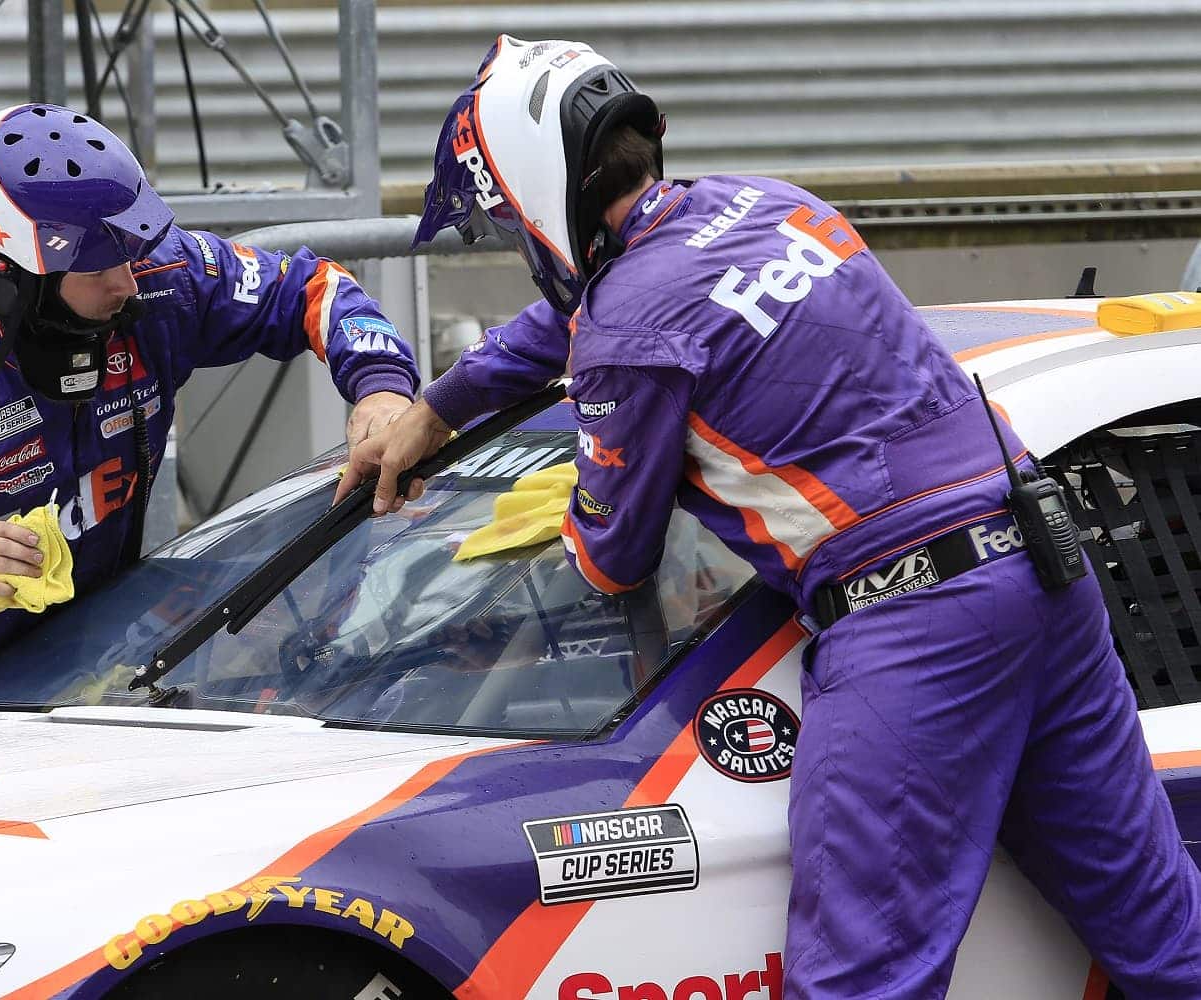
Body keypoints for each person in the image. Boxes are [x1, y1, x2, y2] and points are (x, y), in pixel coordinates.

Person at [336, 36, 1201, 998]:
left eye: (502, 216)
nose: (509, 237)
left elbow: (613, 558)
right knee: (1166, 941)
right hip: (1044, 567)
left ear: (542, 190)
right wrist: (439, 406)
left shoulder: (629, 326)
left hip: (914, 625)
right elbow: (595, 317)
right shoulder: (767, 203)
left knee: (856, 981)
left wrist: (577, 492)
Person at [0, 104, 419, 721]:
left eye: (128, 253)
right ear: (15, 277)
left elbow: (313, 288)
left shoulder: (161, 276)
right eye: (95, 268)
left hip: (74, 664)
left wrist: (382, 388)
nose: (127, 283)